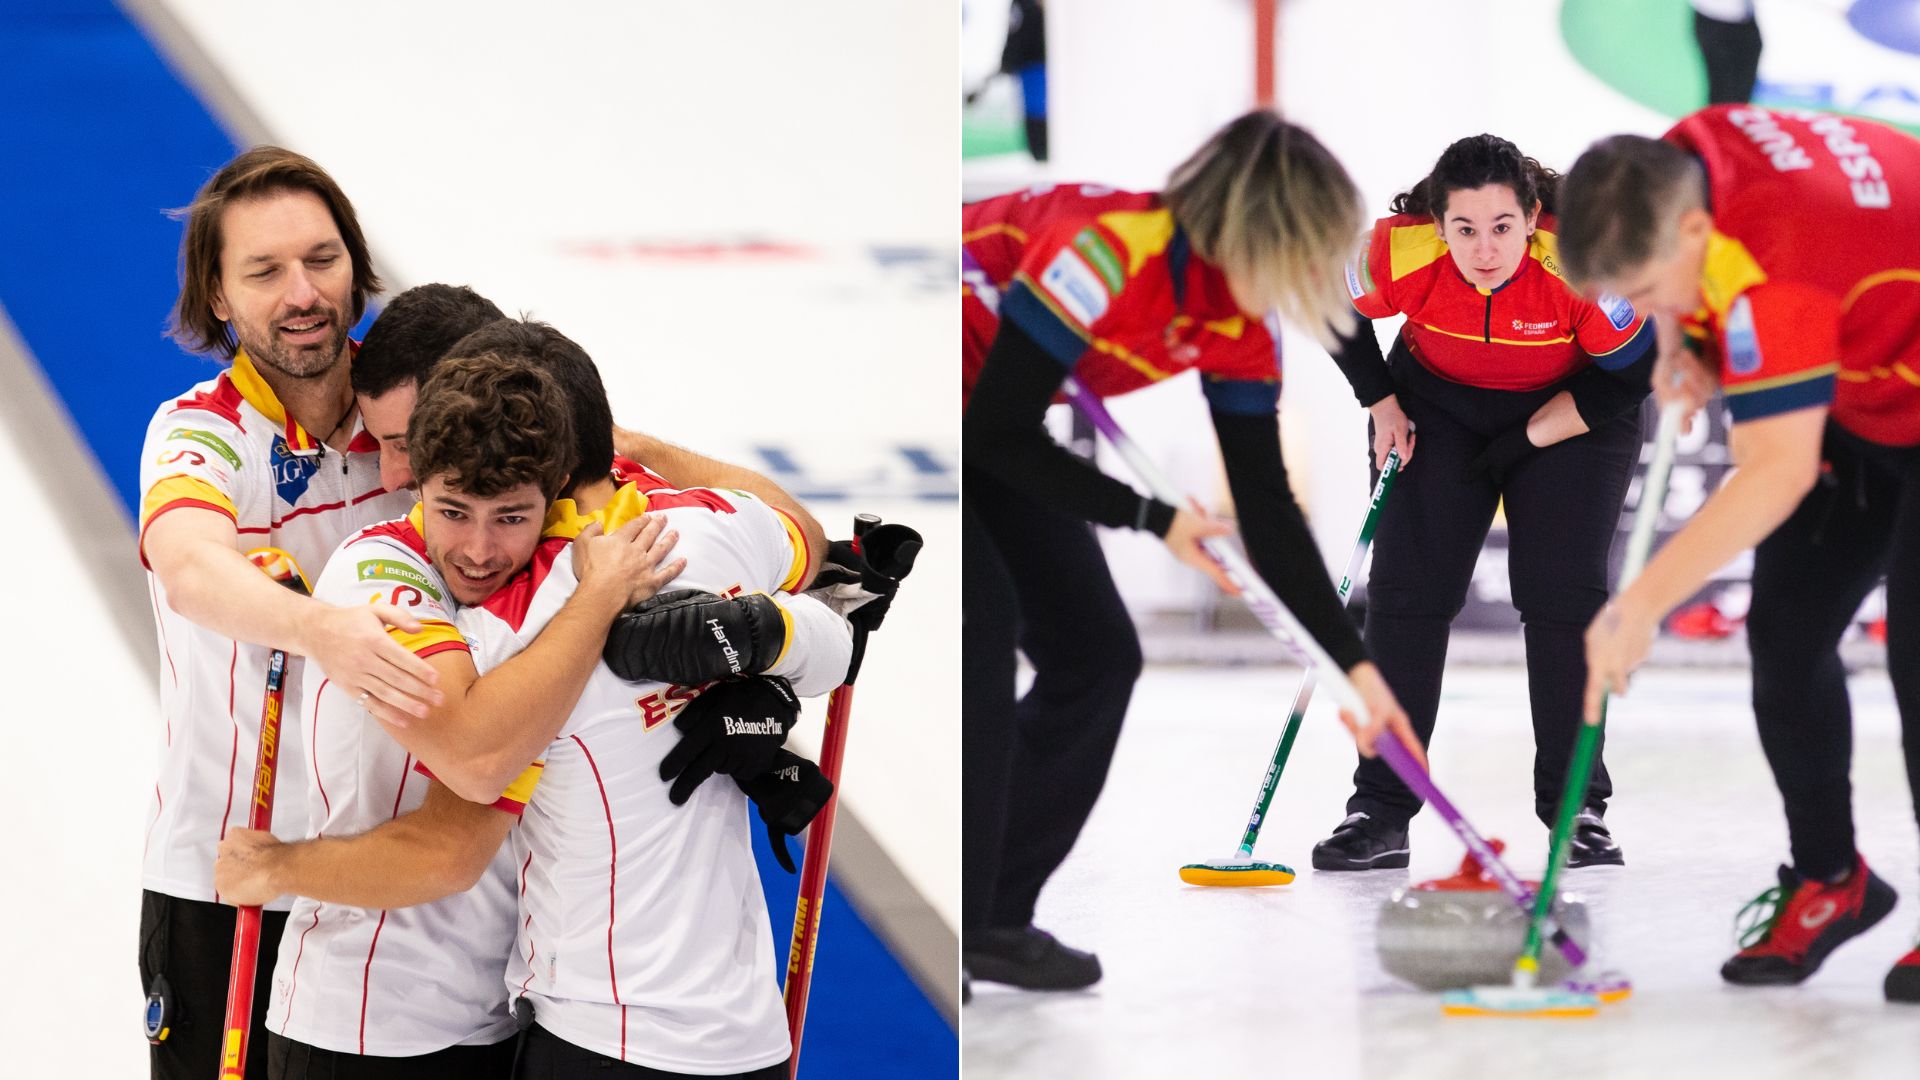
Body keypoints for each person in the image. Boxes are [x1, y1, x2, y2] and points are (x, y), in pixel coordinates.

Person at [216, 322, 852, 1077]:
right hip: (390, 1016)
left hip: (564, 1029)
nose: (479, 547)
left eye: (508, 514)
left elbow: (469, 795)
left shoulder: (522, 622)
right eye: (452, 508)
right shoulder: (698, 526)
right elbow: (806, 538)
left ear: (546, 471)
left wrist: (763, 662)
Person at [961, 109, 1416, 991]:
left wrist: (1356, 673)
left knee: (1095, 656)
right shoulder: (1103, 254)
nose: (1312, 280)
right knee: (986, 638)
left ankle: (993, 918)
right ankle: (960, 910)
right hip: (952, 411)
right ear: (1254, 233)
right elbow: (996, 434)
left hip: (999, 425)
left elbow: (1268, 514)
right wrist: (1153, 515)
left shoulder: (1243, 321)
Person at [1560, 104, 1920, 1000]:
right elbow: (1702, 277)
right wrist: (1682, 341)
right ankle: (1832, 881)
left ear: (1694, 231)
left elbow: (1776, 472)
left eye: (1649, 296)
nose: (1645, 315)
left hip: (1890, 376)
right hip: (1871, 385)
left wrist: (1634, 607)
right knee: (1788, 635)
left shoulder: (1780, 266)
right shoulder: (1684, 153)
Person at [139, 146, 442, 1080]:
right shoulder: (200, 427)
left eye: (321, 259)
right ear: (219, 298)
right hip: (233, 875)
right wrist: (321, 633)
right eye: (264, 272)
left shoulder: (423, 409)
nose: (301, 291)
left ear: (357, 263)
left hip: (404, 873)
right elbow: (190, 567)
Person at [1310, 134, 1656, 872]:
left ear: (1533, 216)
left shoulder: (1582, 261)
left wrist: (1525, 440)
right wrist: (1379, 402)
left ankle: (1577, 809)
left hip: (1571, 412)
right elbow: (1327, 299)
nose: (1484, 249)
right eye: (1463, 230)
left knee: (1563, 599)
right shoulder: (1400, 252)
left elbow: (1629, 375)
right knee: (1407, 597)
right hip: (1435, 401)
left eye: (1502, 228)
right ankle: (1379, 808)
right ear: (1438, 225)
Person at [348, 282, 826, 577]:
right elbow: (803, 533)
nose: (389, 477)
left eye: (407, 444)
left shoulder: (511, 581)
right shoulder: (639, 485)